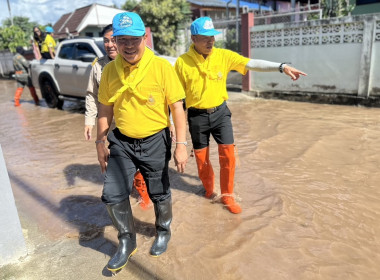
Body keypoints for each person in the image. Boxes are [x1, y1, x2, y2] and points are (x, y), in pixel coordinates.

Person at [175, 17, 307, 214]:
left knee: (228, 156)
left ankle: (227, 195)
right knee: (202, 159)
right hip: (197, 117)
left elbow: (252, 63)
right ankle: (210, 190)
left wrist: (281, 66)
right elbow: (177, 101)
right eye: (205, 38)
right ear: (193, 38)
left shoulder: (224, 56)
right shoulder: (182, 63)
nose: (211, 41)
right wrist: (180, 139)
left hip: (220, 114)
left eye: (212, 37)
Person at [96, 12, 187, 272]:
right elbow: (105, 111)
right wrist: (100, 144)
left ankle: (163, 230)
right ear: (115, 40)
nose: (127, 45)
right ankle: (127, 241)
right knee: (112, 195)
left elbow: (177, 108)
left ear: (144, 38)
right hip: (122, 141)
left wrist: (181, 145)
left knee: (159, 192)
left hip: (155, 140)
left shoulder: (161, 67)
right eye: (121, 39)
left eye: (133, 39)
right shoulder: (109, 71)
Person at [85, 24, 151, 210]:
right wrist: (89, 122)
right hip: (109, 124)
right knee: (118, 160)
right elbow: (91, 95)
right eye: (106, 41)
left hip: (134, 122)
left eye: (114, 40)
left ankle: (144, 195)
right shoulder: (97, 66)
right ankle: (128, 194)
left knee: (141, 161)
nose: (110, 44)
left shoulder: (137, 62)